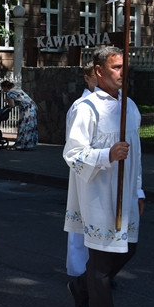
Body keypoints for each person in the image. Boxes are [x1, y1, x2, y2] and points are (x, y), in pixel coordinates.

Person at [62, 45, 145, 307]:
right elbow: (72, 154)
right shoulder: (86, 108)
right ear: (99, 71)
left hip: (125, 191)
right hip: (97, 192)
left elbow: (137, 154)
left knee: (128, 248)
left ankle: (80, 287)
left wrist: (139, 189)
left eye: (124, 66)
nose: (123, 72)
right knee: (100, 261)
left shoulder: (129, 106)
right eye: (116, 67)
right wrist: (106, 155)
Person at [65, 62, 97, 284]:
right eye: (95, 75)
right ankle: (79, 273)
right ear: (87, 77)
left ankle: (100, 270)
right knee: (80, 225)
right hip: (85, 169)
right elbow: (73, 144)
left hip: (106, 169)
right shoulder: (81, 106)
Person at [0, 79, 38, 150]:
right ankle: (29, 144)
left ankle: (22, 145)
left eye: (2, 88)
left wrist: (7, 101)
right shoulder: (17, 89)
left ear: (5, 87)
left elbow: (12, 105)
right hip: (32, 108)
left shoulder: (10, 93)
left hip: (27, 110)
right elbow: (20, 100)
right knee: (30, 126)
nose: (2, 89)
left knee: (24, 126)